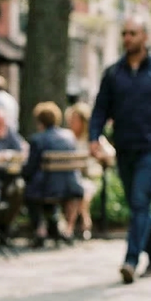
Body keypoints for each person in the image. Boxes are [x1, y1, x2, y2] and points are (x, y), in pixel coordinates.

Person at [89, 17, 151, 283]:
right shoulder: (113, 73)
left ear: (145, 37)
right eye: (124, 33)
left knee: (139, 200)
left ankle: (131, 260)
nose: (127, 38)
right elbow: (100, 108)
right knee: (139, 205)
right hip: (124, 148)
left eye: (132, 33)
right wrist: (93, 137)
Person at [22, 101, 84, 243]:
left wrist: (23, 174)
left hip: (47, 188)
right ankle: (54, 227)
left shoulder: (38, 139)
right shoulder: (69, 136)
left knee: (29, 191)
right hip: (71, 186)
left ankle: (40, 230)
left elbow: (30, 169)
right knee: (46, 187)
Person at [64, 102, 107, 239]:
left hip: (90, 177)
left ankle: (70, 227)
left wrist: (97, 154)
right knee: (78, 191)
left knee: (81, 191)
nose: (72, 123)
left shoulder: (92, 138)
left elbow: (110, 154)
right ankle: (84, 222)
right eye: (71, 120)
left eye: (75, 120)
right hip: (71, 178)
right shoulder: (67, 138)